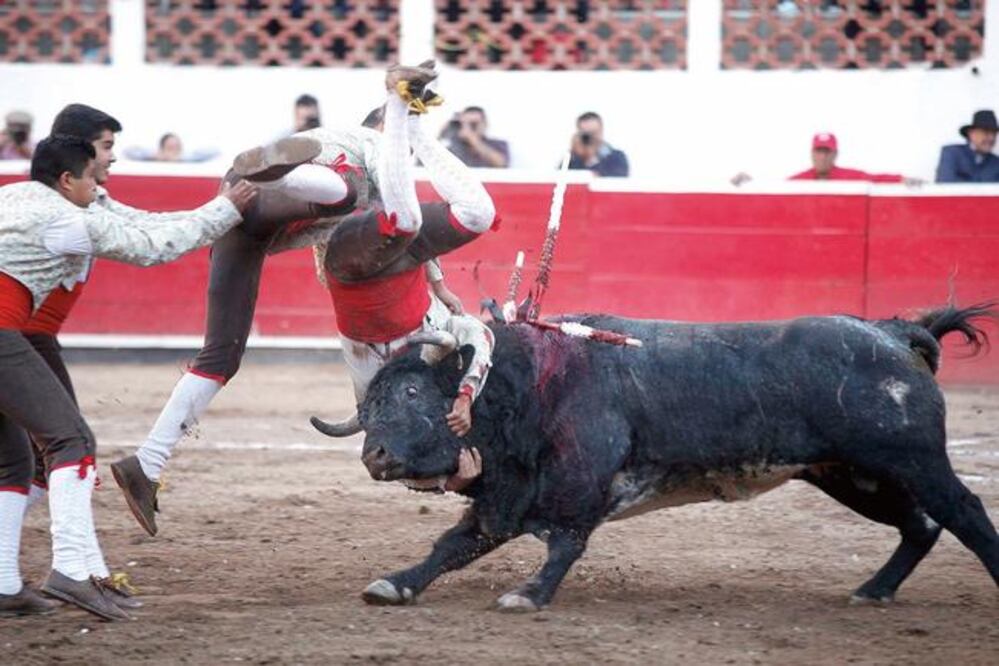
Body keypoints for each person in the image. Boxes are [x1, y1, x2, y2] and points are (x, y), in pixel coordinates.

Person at [112, 62, 498, 537]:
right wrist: (402, 118)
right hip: (303, 190)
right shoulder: (376, 144)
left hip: (245, 212)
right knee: (352, 195)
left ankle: (147, 464)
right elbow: (403, 223)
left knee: (219, 357)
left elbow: (405, 235)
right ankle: (286, 172)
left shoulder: (358, 154)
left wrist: (438, 281)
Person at [0, 136, 255, 620]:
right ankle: (72, 571)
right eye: (92, 179)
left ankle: (4, 584)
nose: (99, 188)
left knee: (13, 462)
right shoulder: (66, 220)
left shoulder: (9, 196)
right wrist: (225, 210)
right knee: (71, 440)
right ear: (67, 180)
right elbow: (152, 246)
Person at [935, 109, 999, 183]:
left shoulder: (996, 163)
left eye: (994, 133)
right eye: (986, 132)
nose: (991, 138)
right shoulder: (952, 154)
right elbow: (944, 185)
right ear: (971, 133)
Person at [438, 106, 509, 168]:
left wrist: (472, 139)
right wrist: (444, 130)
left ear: (485, 124)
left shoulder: (497, 144)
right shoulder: (452, 147)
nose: (468, 127)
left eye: (473, 124)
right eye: (464, 124)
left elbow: (501, 163)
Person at [567, 111, 629, 177]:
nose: (590, 138)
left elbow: (619, 180)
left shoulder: (616, 157)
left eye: (593, 133)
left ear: (601, 131)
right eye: (586, 135)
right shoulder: (571, 158)